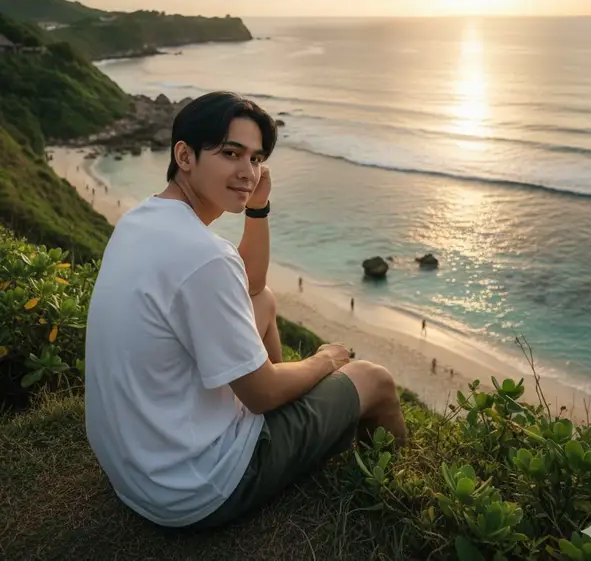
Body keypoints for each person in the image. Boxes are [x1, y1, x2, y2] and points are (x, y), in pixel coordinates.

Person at [84, 91, 405, 532]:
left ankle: (287, 426)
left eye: (256, 159)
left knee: (265, 300)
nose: (248, 172)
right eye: (231, 154)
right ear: (185, 156)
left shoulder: (140, 221)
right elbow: (261, 394)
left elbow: (250, 286)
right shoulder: (204, 256)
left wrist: (258, 208)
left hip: (136, 470)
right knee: (376, 380)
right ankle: (392, 504)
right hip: (195, 488)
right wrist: (326, 360)